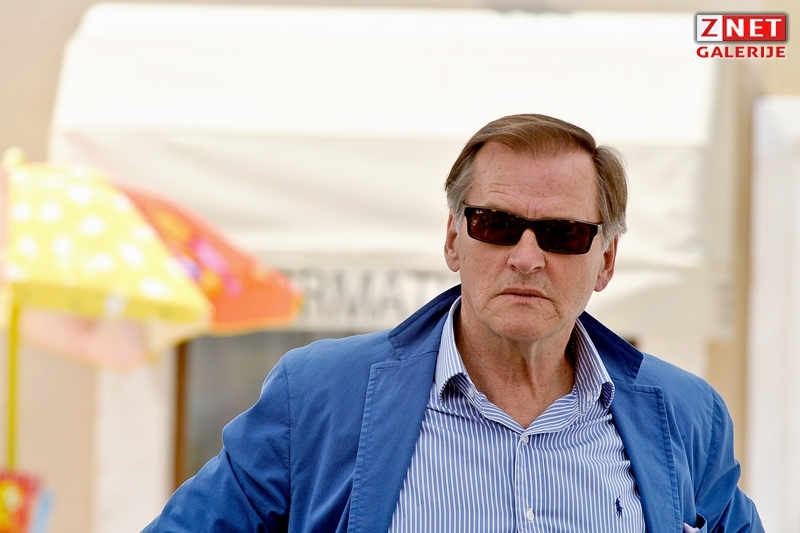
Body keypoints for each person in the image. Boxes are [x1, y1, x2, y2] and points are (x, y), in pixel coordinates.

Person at [143, 114, 763, 532]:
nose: (526, 257)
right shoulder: (318, 394)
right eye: (496, 224)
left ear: (605, 260)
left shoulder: (685, 413)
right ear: (452, 239)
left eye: (563, 234)